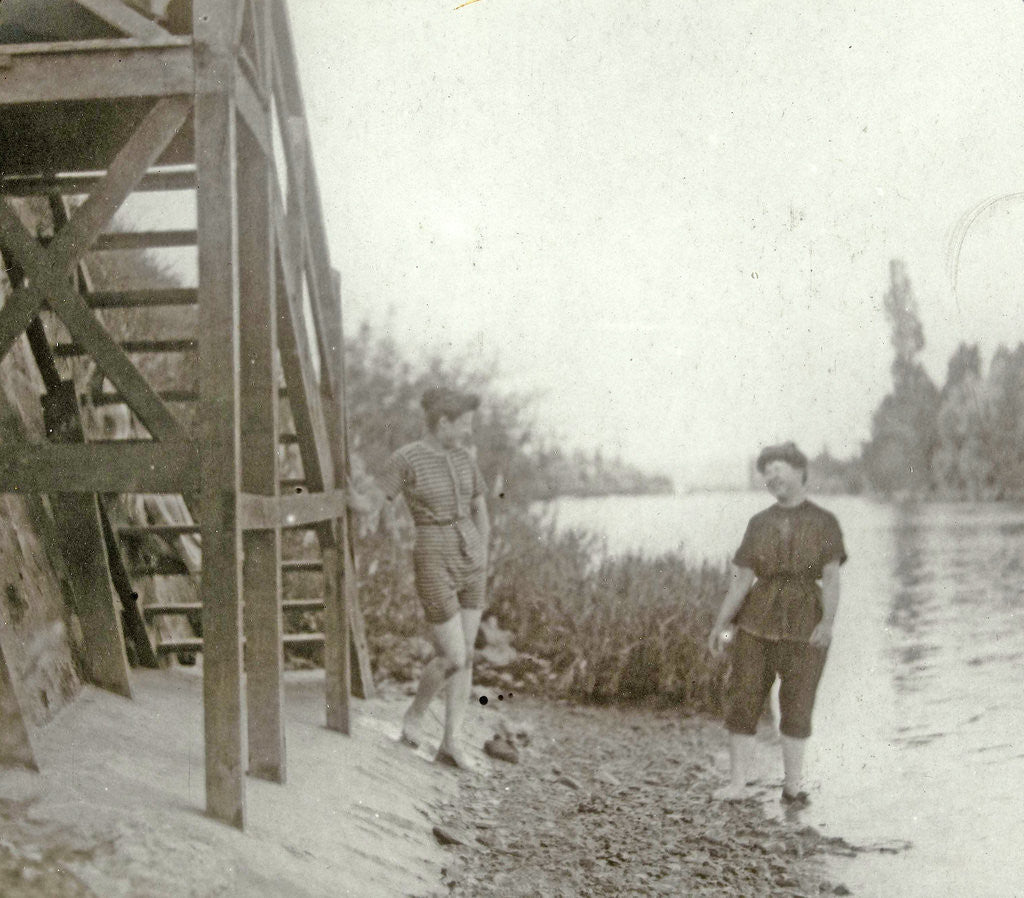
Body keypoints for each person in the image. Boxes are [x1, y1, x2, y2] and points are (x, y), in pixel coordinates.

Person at [707, 441, 846, 807]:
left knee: (798, 704)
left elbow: (831, 579)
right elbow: (741, 580)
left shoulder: (825, 522)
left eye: (778, 469)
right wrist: (720, 626)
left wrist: (827, 624)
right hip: (755, 624)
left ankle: (793, 787)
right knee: (743, 697)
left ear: (800, 471)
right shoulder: (758, 523)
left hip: (806, 623)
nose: (771, 477)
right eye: (766, 473)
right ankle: (738, 784)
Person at [374, 386, 490, 770]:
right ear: (444, 423)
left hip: (471, 556)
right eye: (465, 424)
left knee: (467, 655)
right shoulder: (406, 459)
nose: (468, 432)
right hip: (433, 552)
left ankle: (451, 742)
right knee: (453, 656)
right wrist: (379, 522)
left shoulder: (464, 458)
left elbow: (479, 508)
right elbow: (379, 500)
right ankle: (415, 714)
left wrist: (483, 555)